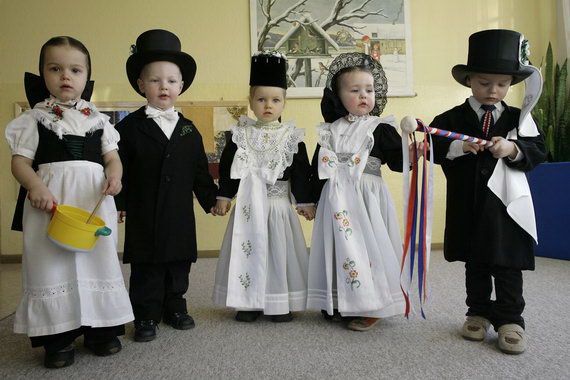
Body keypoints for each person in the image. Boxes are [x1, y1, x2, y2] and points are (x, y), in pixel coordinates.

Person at [5, 36, 133, 369]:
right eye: (55, 68)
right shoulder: (34, 119)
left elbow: (112, 159)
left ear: (86, 77)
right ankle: (57, 338)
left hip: (92, 202)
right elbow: (19, 162)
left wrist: (115, 176)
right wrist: (34, 185)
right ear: (43, 74)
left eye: (75, 70)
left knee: (98, 261)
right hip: (50, 204)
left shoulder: (99, 121)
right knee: (51, 263)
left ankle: (100, 331)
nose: (66, 76)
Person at [430, 29, 546, 354]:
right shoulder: (449, 119)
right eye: (484, 82)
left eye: (502, 83)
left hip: (506, 208)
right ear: (469, 80)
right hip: (469, 205)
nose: (493, 90)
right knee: (476, 263)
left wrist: (513, 149)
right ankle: (478, 312)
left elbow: (538, 150)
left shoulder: (519, 119)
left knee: (508, 264)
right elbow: (431, 147)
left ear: (511, 83)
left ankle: (510, 319)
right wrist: (457, 146)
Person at [114, 29, 217, 342]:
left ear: (181, 86)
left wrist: (211, 199)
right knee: (146, 266)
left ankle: (175, 306)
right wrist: (120, 203)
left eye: (171, 81)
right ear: (141, 84)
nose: (164, 86)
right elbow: (120, 168)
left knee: (178, 263)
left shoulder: (188, 129)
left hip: (178, 211)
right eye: (155, 80)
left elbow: (200, 169)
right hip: (144, 209)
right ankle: (145, 314)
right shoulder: (128, 128)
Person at [212, 51, 315, 323]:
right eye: (261, 99)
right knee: (249, 249)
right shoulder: (239, 135)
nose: (268, 105)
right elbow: (228, 169)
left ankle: (279, 303)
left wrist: (305, 202)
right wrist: (224, 195)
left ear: (284, 103)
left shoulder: (292, 136)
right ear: (251, 101)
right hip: (247, 206)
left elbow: (301, 171)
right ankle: (248, 302)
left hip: (278, 207)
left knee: (278, 253)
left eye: (275, 100)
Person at [307, 52, 407, 331]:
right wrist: (311, 201)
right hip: (335, 198)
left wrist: (412, 149)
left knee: (368, 245)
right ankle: (340, 299)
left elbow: (400, 163)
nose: (364, 95)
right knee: (338, 246)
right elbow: (318, 169)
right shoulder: (330, 131)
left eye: (369, 89)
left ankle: (372, 302)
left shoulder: (381, 128)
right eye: (355, 90)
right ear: (339, 96)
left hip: (367, 199)